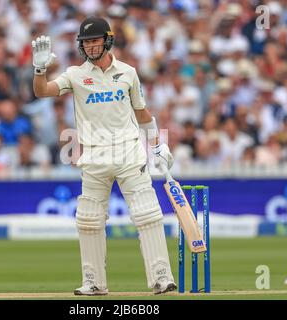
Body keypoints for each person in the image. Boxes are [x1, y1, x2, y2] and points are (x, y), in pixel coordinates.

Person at [32, 16, 176, 295]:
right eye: (85, 42)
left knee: (147, 214)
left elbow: (142, 113)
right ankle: (93, 282)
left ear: (108, 40)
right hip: (94, 156)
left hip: (129, 152)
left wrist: (158, 145)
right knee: (88, 219)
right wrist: (39, 69)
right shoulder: (75, 74)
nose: (90, 46)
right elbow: (43, 92)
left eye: (95, 40)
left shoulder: (128, 72)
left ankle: (161, 277)